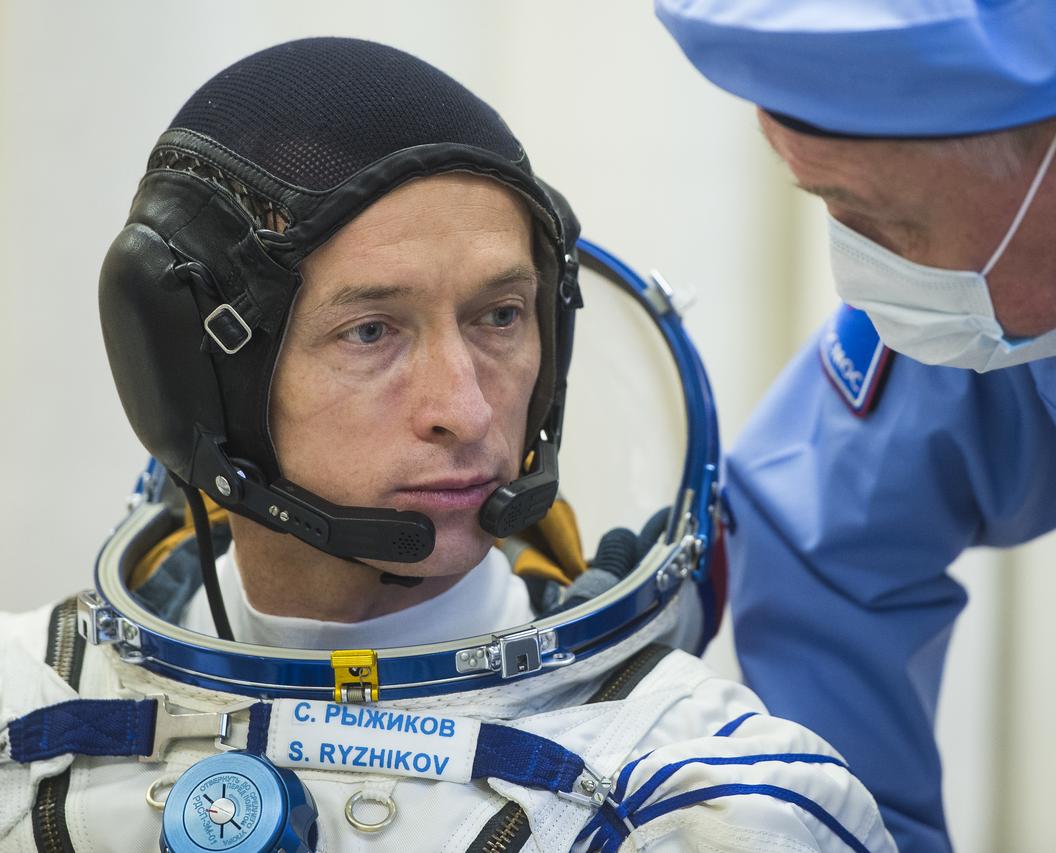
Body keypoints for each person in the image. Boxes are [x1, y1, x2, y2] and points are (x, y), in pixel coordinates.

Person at [0, 38, 895, 853]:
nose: (465, 410)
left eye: (500, 317)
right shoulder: (21, 712)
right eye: (371, 331)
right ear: (197, 377)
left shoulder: (703, 795)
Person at [655, 0, 1056, 851]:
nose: (862, 270)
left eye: (890, 226)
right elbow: (822, 528)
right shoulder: (1055, 243)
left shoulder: (1048, 242)